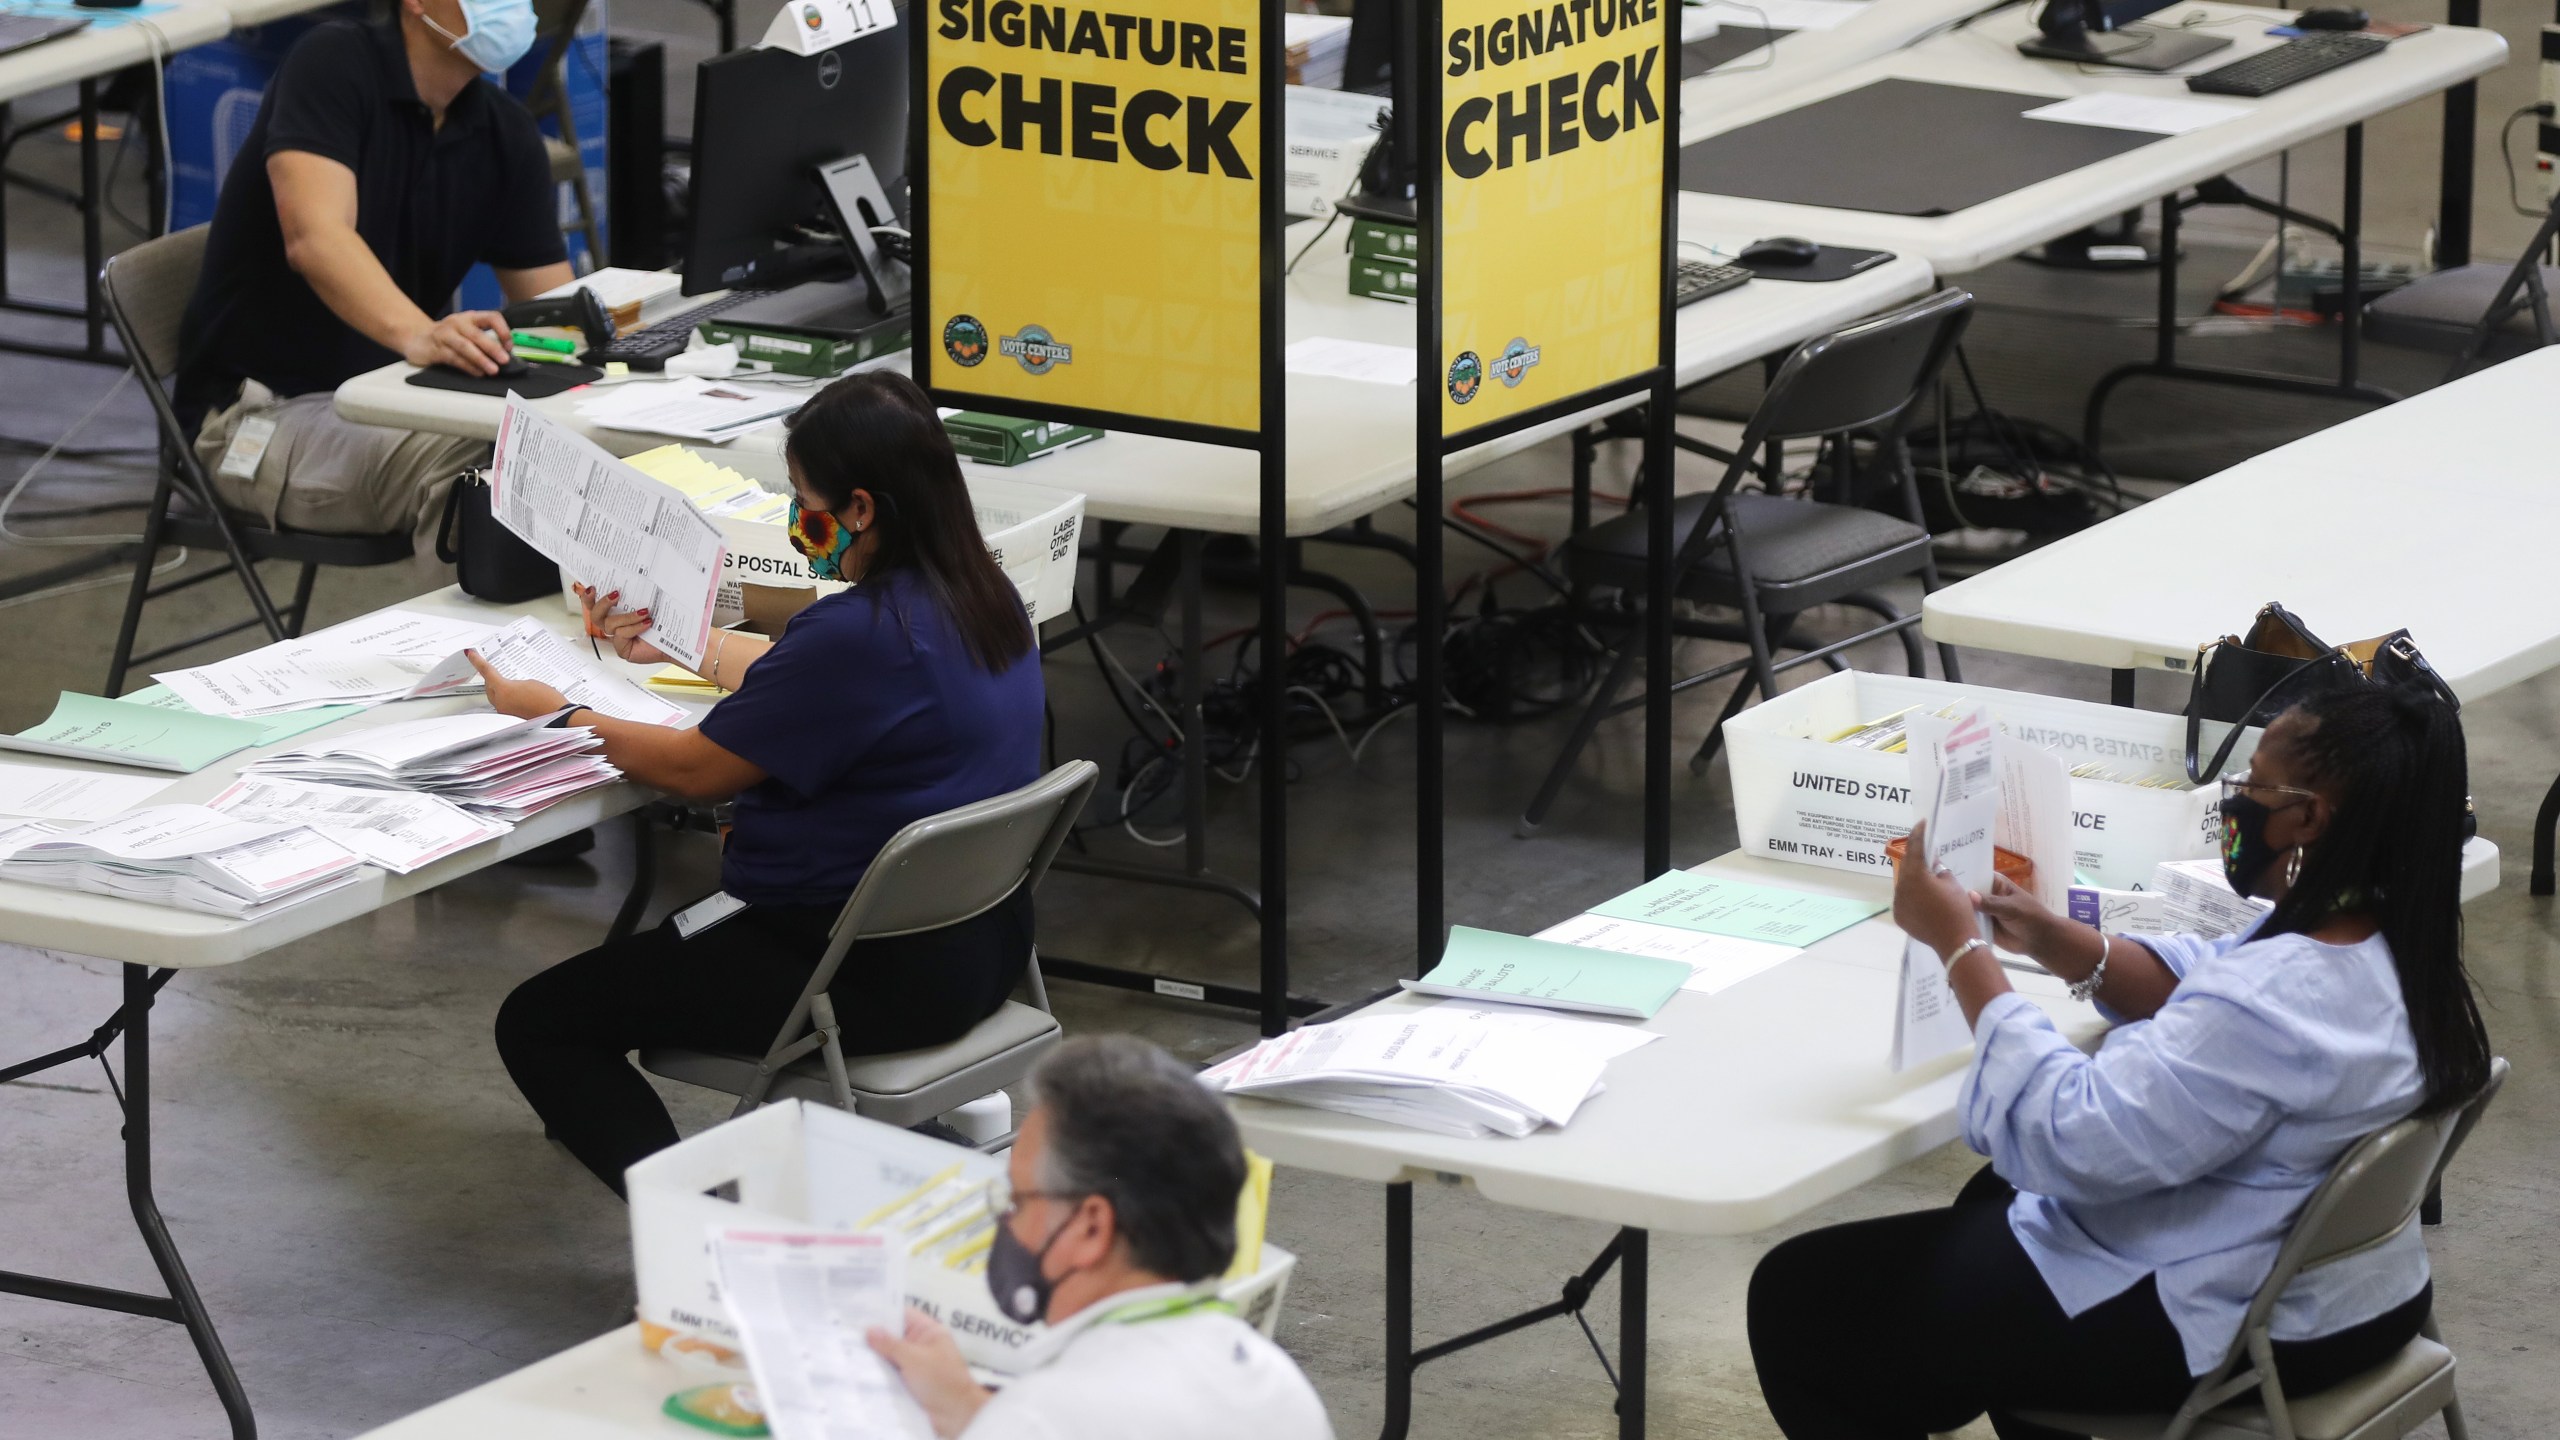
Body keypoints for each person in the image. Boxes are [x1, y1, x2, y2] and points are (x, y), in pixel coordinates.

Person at [1747, 686, 2493, 1440]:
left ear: (2307, 817)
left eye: (2256, 784)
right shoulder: (2390, 945)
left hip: (2248, 1328)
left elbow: (2071, 1138)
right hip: (2362, 1295)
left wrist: (1961, 950)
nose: (2236, 802)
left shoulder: (2276, 997)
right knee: (1989, 1198)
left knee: (1798, 1297)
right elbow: (2203, 975)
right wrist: (2050, 935)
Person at [474, 372, 1044, 1196]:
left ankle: (702, 1237)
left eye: (802, 500)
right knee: (653, 959)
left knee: (541, 1021)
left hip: (851, 974)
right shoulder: (985, 598)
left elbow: (692, 772)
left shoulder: (857, 636)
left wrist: (554, 714)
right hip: (983, 946)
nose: (796, 519)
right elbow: (804, 677)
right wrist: (682, 644)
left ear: (859, 508)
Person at [177, 0, 573, 536]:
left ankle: (594, 621)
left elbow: (558, 318)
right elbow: (315, 238)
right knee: (478, 468)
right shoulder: (333, 63)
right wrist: (423, 335)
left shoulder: (505, 133)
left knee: (576, 444)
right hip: (252, 419)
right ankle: (498, 624)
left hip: (387, 400)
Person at [865, 1035, 1335, 1440]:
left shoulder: (1048, 1413)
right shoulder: (1279, 1386)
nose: (1005, 1222)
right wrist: (967, 1406)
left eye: (1019, 1201)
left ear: (1091, 1227)